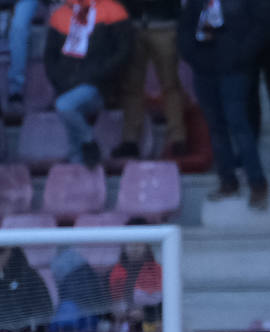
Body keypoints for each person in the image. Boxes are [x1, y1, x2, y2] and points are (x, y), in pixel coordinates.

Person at [179, 0, 269, 208]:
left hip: (235, 69)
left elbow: (261, 26)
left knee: (238, 123)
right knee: (215, 127)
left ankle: (258, 183)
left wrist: (242, 55)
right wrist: (193, 56)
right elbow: (185, 29)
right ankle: (227, 181)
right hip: (204, 69)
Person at [43, 0, 133, 168]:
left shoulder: (113, 10)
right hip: (66, 85)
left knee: (64, 106)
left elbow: (123, 51)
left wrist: (99, 74)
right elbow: (49, 57)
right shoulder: (60, 14)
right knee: (69, 114)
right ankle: (79, 164)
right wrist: (60, 79)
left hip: (98, 85)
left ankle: (88, 139)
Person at [112, 0, 184, 159]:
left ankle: (178, 138)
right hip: (133, 26)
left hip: (164, 25)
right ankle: (130, 140)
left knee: (170, 84)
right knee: (131, 87)